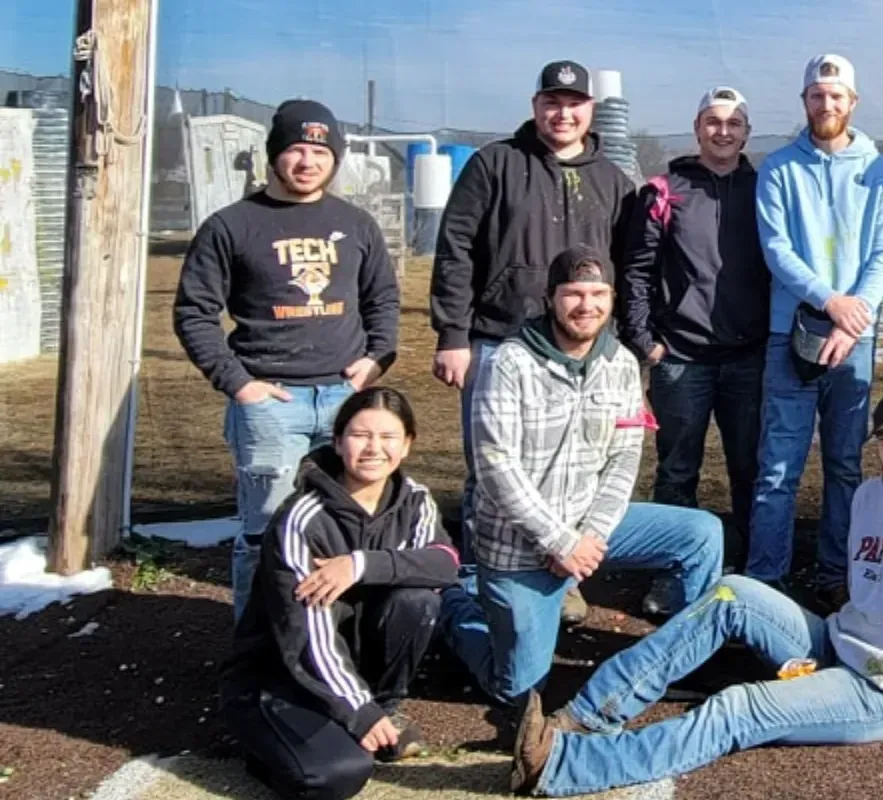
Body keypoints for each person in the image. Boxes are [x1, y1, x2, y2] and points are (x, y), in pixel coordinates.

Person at [506, 389, 883, 796]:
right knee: (731, 592)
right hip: (835, 642)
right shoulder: (870, 496)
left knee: (738, 708)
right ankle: (585, 716)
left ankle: (561, 763)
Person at [439, 246, 724, 706]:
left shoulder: (622, 365)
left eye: (597, 294)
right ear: (551, 297)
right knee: (519, 692)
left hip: (589, 530)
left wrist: (587, 537)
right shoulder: (508, 362)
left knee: (701, 533)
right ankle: (453, 607)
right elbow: (495, 467)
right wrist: (559, 541)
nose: (586, 305)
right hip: (519, 546)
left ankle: (681, 656)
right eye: (573, 294)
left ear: (611, 298)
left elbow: (623, 460)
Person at [173, 98, 400, 621]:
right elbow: (194, 313)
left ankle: (334, 639)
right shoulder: (232, 225)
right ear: (274, 155)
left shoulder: (355, 224)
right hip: (270, 400)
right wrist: (239, 383)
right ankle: (256, 651)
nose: (307, 162)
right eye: (296, 149)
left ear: (335, 158)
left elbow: (383, 300)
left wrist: (374, 361)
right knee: (265, 532)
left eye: (320, 151)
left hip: (347, 401)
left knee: (348, 525)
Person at [430, 60, 636, 624]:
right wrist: (453, 333)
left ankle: (559, 580)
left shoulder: (612, 180)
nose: (562, 113)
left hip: (582, 354)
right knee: (495, 476)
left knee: (577, 472)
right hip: (500, 342)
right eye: (552, 102)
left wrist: (621, 342)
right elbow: (456, 251)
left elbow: (629, 267)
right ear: (535, 105)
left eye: (574, 103)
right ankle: (481, 585)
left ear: (591, 110)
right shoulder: (494, 164)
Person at [220, 387, 458, 800]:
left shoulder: (415, 501)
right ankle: (267, 746)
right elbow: (305, 636)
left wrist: (360, 564)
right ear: (337, 441)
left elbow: (444, 563)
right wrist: (356, 711)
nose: (374, 448)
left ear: (406, 445)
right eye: (360, 435)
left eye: (387, 437)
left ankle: (384, 710)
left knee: (418, 600)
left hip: (348, 670)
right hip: (285, 674)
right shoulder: (301, 519)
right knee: (337, 775)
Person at [747, 54, 883, 604]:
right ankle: (766, 579)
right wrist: (829, 301)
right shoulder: (779, 169)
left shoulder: (879, 171)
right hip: (789, 333)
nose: (827, 104)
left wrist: (852, 314)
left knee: (844, 465)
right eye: (817, 95)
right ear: (805, 101)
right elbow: (776, 249)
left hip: (852, 341)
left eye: (837, 96)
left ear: (852, 102)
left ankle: (836, 574)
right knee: (778, 469)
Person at [619, 87, 770, 567]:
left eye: (733, 123)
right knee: (677, 470)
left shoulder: (766, 189)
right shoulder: (665, 192)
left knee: (751, 470)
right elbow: (636, 272)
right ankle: (673, 569)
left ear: (746, 132)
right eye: (713, 122)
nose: (722, 132)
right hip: (680, 361)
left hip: (748, 359)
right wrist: (645, 342)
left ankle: (755, 566)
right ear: (697, 128)